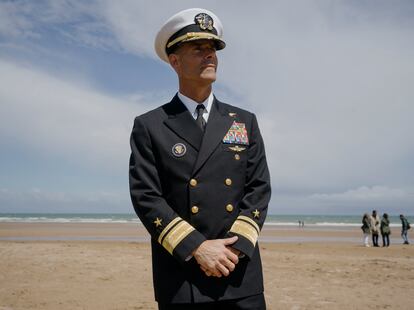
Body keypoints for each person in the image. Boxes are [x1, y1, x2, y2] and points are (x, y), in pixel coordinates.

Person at [129, 8, 271, 309]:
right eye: (199, 49)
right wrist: (198, 248)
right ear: (175, 61)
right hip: (183, 277)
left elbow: (259, 189)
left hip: (239, 272)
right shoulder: (151, 124)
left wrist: (232, 251)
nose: (210, 56)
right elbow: (146, 196)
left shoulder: (244, 121)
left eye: (213, 49)